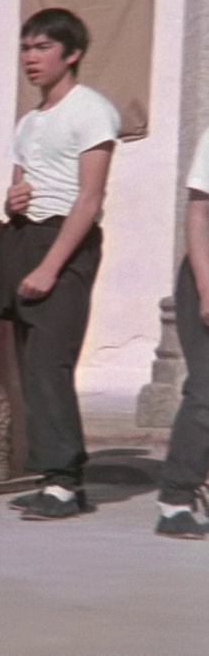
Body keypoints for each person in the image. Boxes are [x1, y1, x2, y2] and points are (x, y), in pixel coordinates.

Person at [0, 8, 116, 521]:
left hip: (65, 241)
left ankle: (64, 480)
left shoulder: (91, 110)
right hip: (25, 236)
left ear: (71, 53)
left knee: (50, 362)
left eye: (42, 48)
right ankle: (54, 478)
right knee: (30, 365)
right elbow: (22, 185)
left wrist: (50, 267)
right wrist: (12, 200)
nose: (30, 58)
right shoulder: (29, 121)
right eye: (25, 48)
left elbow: (89, 197)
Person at [157, 129, 209, 539]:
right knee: (207, 390)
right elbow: (198, 214)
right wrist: (206, 288)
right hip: (206, 272)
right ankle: (175, 501)